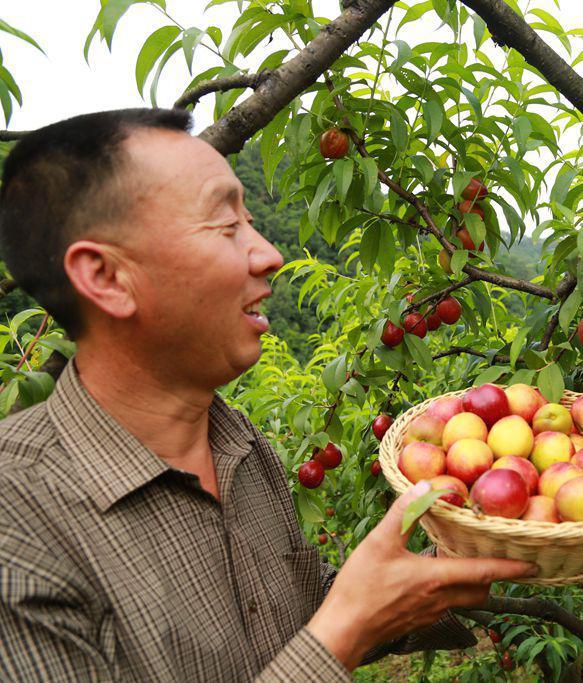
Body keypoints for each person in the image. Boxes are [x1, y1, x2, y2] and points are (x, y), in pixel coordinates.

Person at [0, 109, 535, 681]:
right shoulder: (18, 527)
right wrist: (346, 630)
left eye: (250, 221)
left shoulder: (238, 443)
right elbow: (330, 630)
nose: (270, 253)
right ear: (106, 277)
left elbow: (298, 614)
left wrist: (462, 552)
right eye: (226, 226)